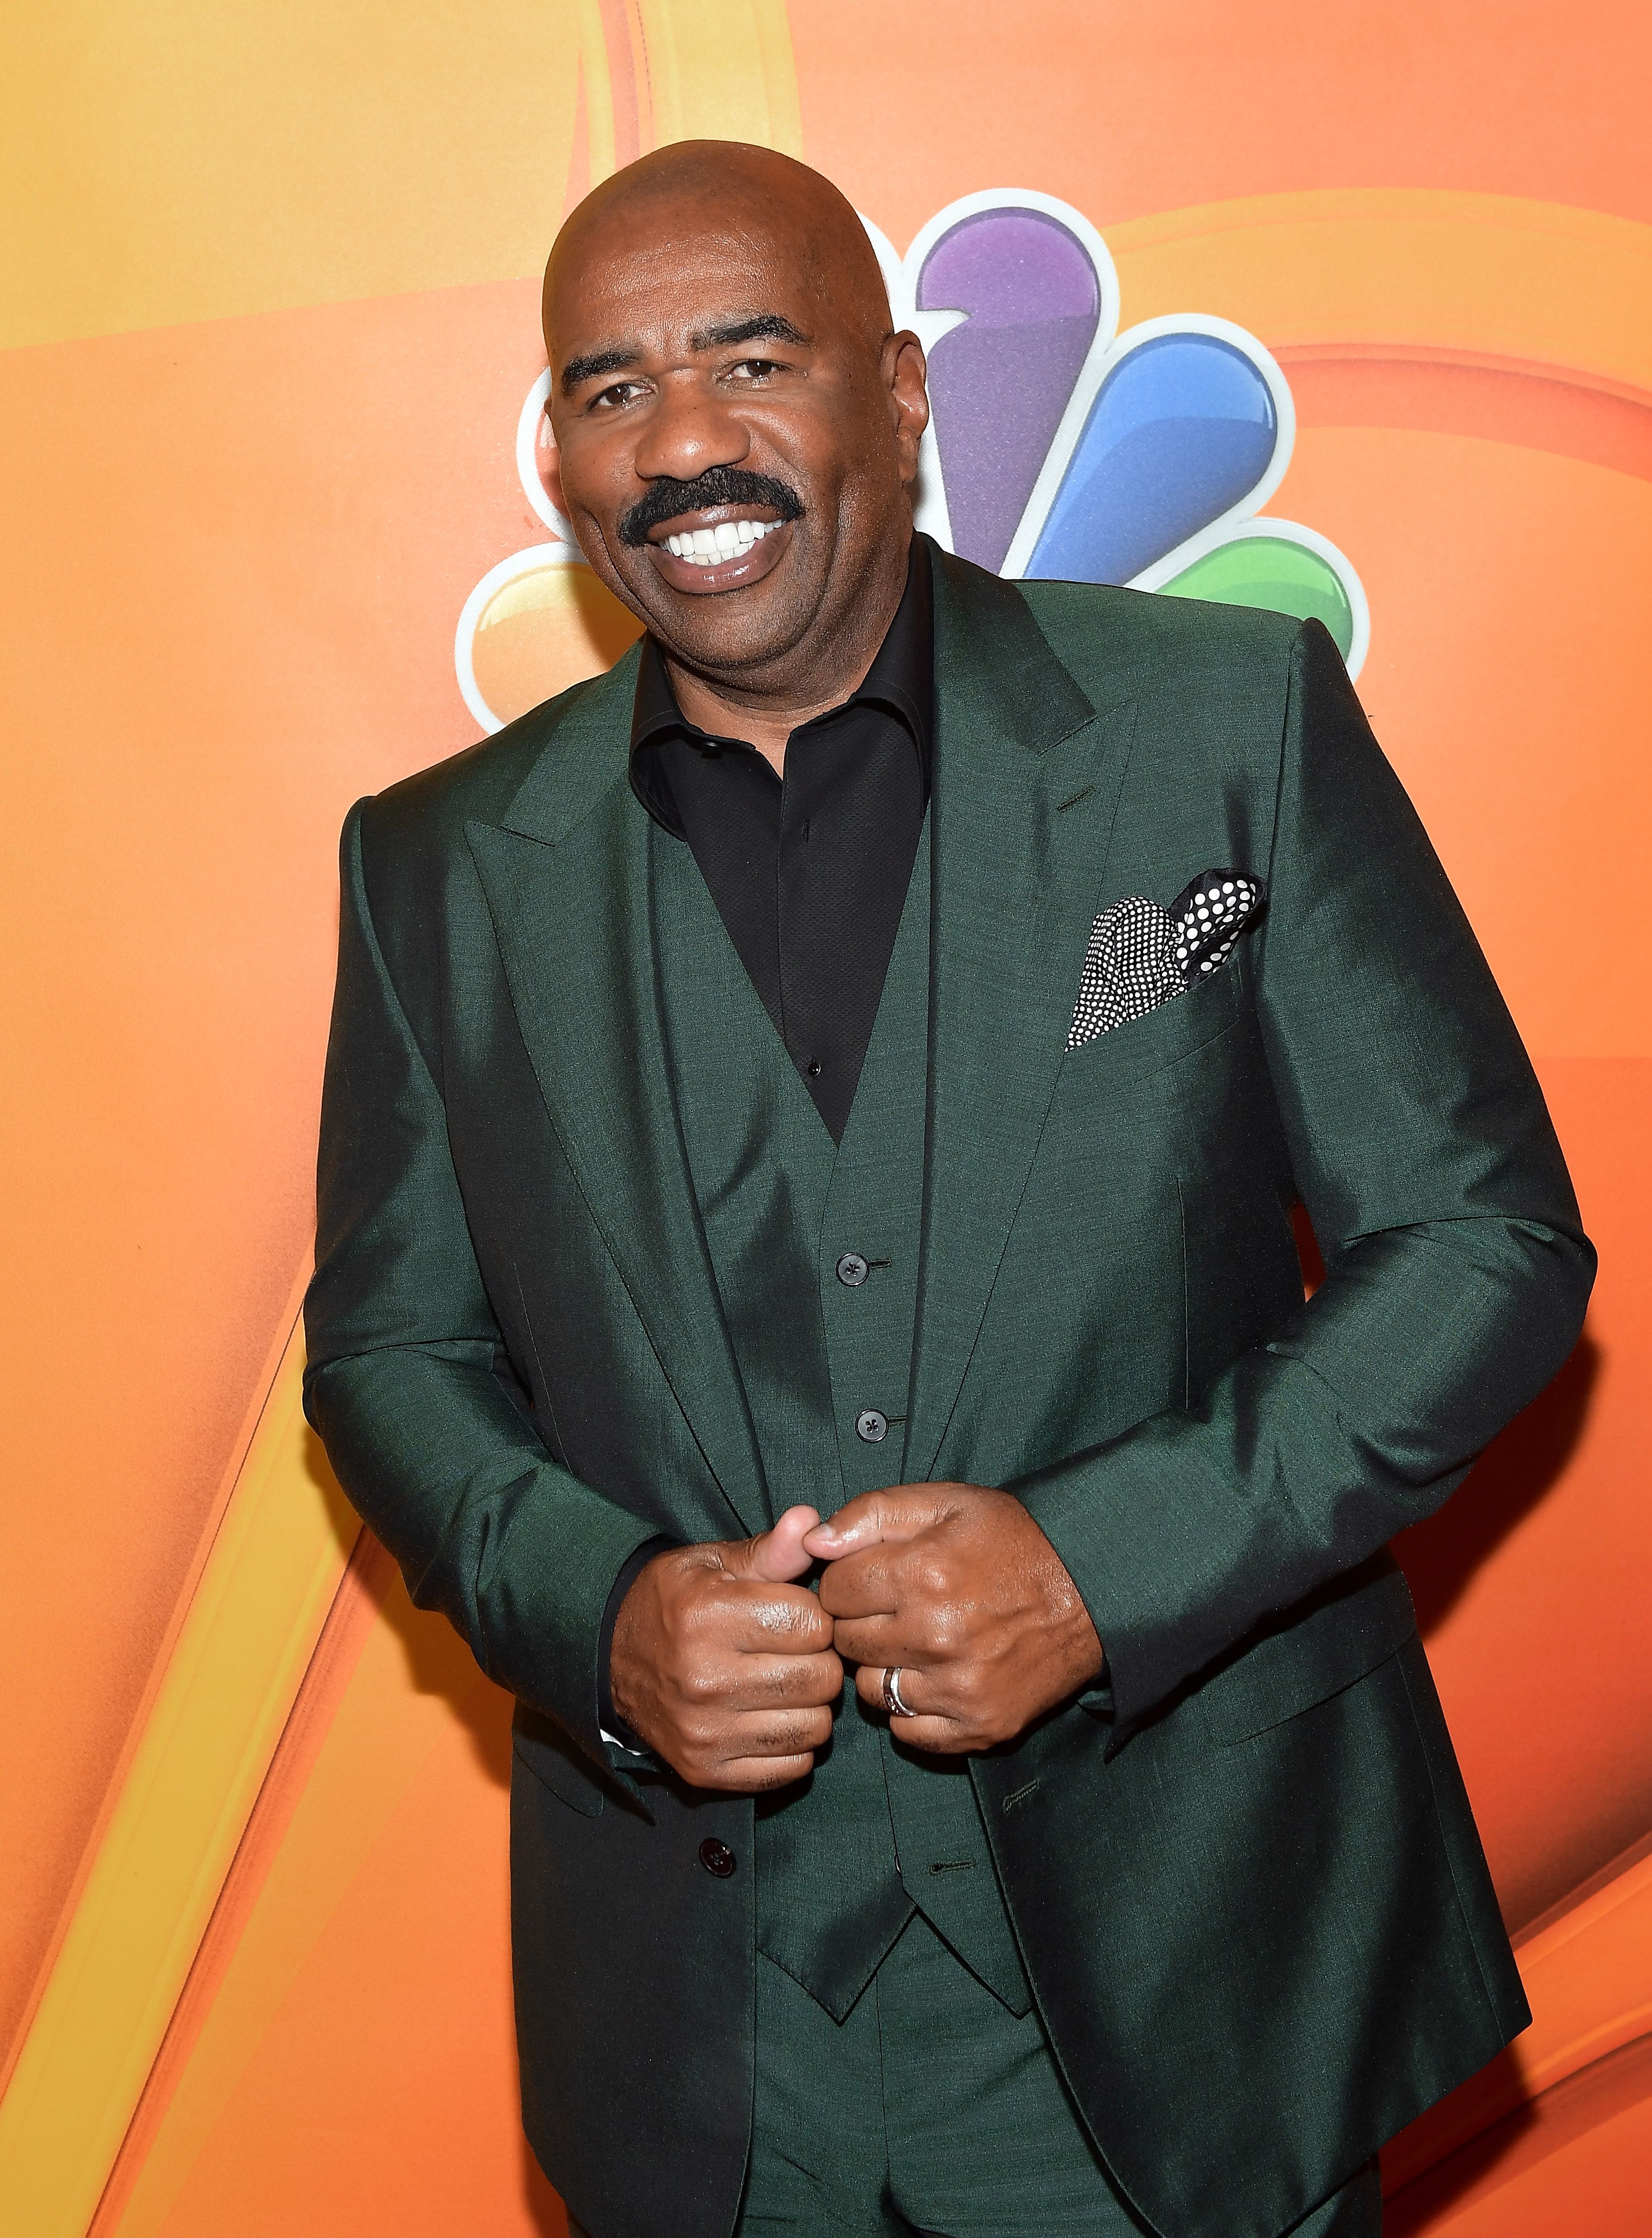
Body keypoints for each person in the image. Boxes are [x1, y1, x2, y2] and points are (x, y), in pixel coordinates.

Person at [303, 142, 1594, 2238]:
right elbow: (387, 1348)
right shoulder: (438, 863)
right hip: (711, 2070)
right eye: (613, 389)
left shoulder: (1217, 734)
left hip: (1190, 1999)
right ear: (555, 455)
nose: (686, 441)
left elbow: (1484, 1242)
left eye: (750, 356)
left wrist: (1104, 1564)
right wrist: (602, 1610)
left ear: (901, 395)